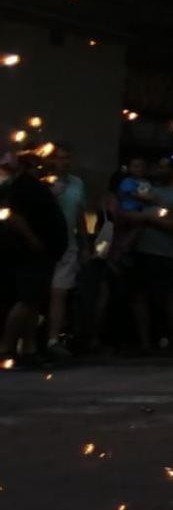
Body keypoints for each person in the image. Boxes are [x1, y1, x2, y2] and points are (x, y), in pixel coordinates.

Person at [0, 145, 69, 367]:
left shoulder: (35, 186)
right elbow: (17, 218)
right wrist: (34, 241)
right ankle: (6, 349)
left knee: (34, 301)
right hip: (31, 252)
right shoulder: (22, 186)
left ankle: (28, 349)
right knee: (26, 300)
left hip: (45, 252)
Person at [132, 157, 173, 352]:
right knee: (138, 296)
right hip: (140, 248)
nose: (158, 170)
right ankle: (144, 343)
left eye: (162, 167)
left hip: (162, 252)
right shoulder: (152, 189)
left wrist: (149, 217)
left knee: (166, 296)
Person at [44, 142, 86, 356]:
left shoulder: (77, 183)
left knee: (59, 292)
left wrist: (84, 244)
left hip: (68, 244)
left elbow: (79, 215)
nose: (64, 162)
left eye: (67, 157)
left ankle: (53, 339)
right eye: (60, 157)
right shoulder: (42, 181)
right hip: (43, 244)